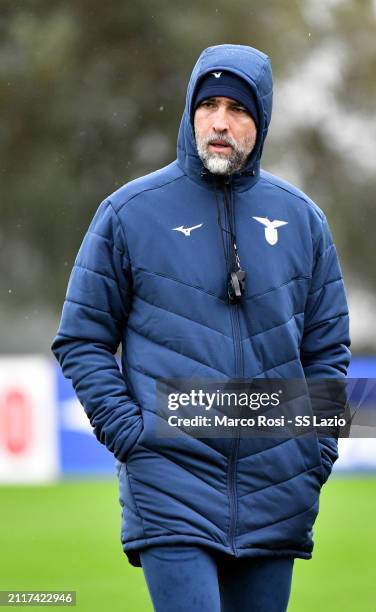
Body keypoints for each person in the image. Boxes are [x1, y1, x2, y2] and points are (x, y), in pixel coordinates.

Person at [52, 44, 351, 611]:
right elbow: (82, 337)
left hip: (278, 486)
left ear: (260, 122)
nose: (220, 121)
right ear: (189, 112)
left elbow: (327, 350)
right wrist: (131, 436)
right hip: (170, 481)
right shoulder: (129, 212)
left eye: (237, 109)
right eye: (208, 104)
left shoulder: (303, 220)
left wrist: (315, 454)